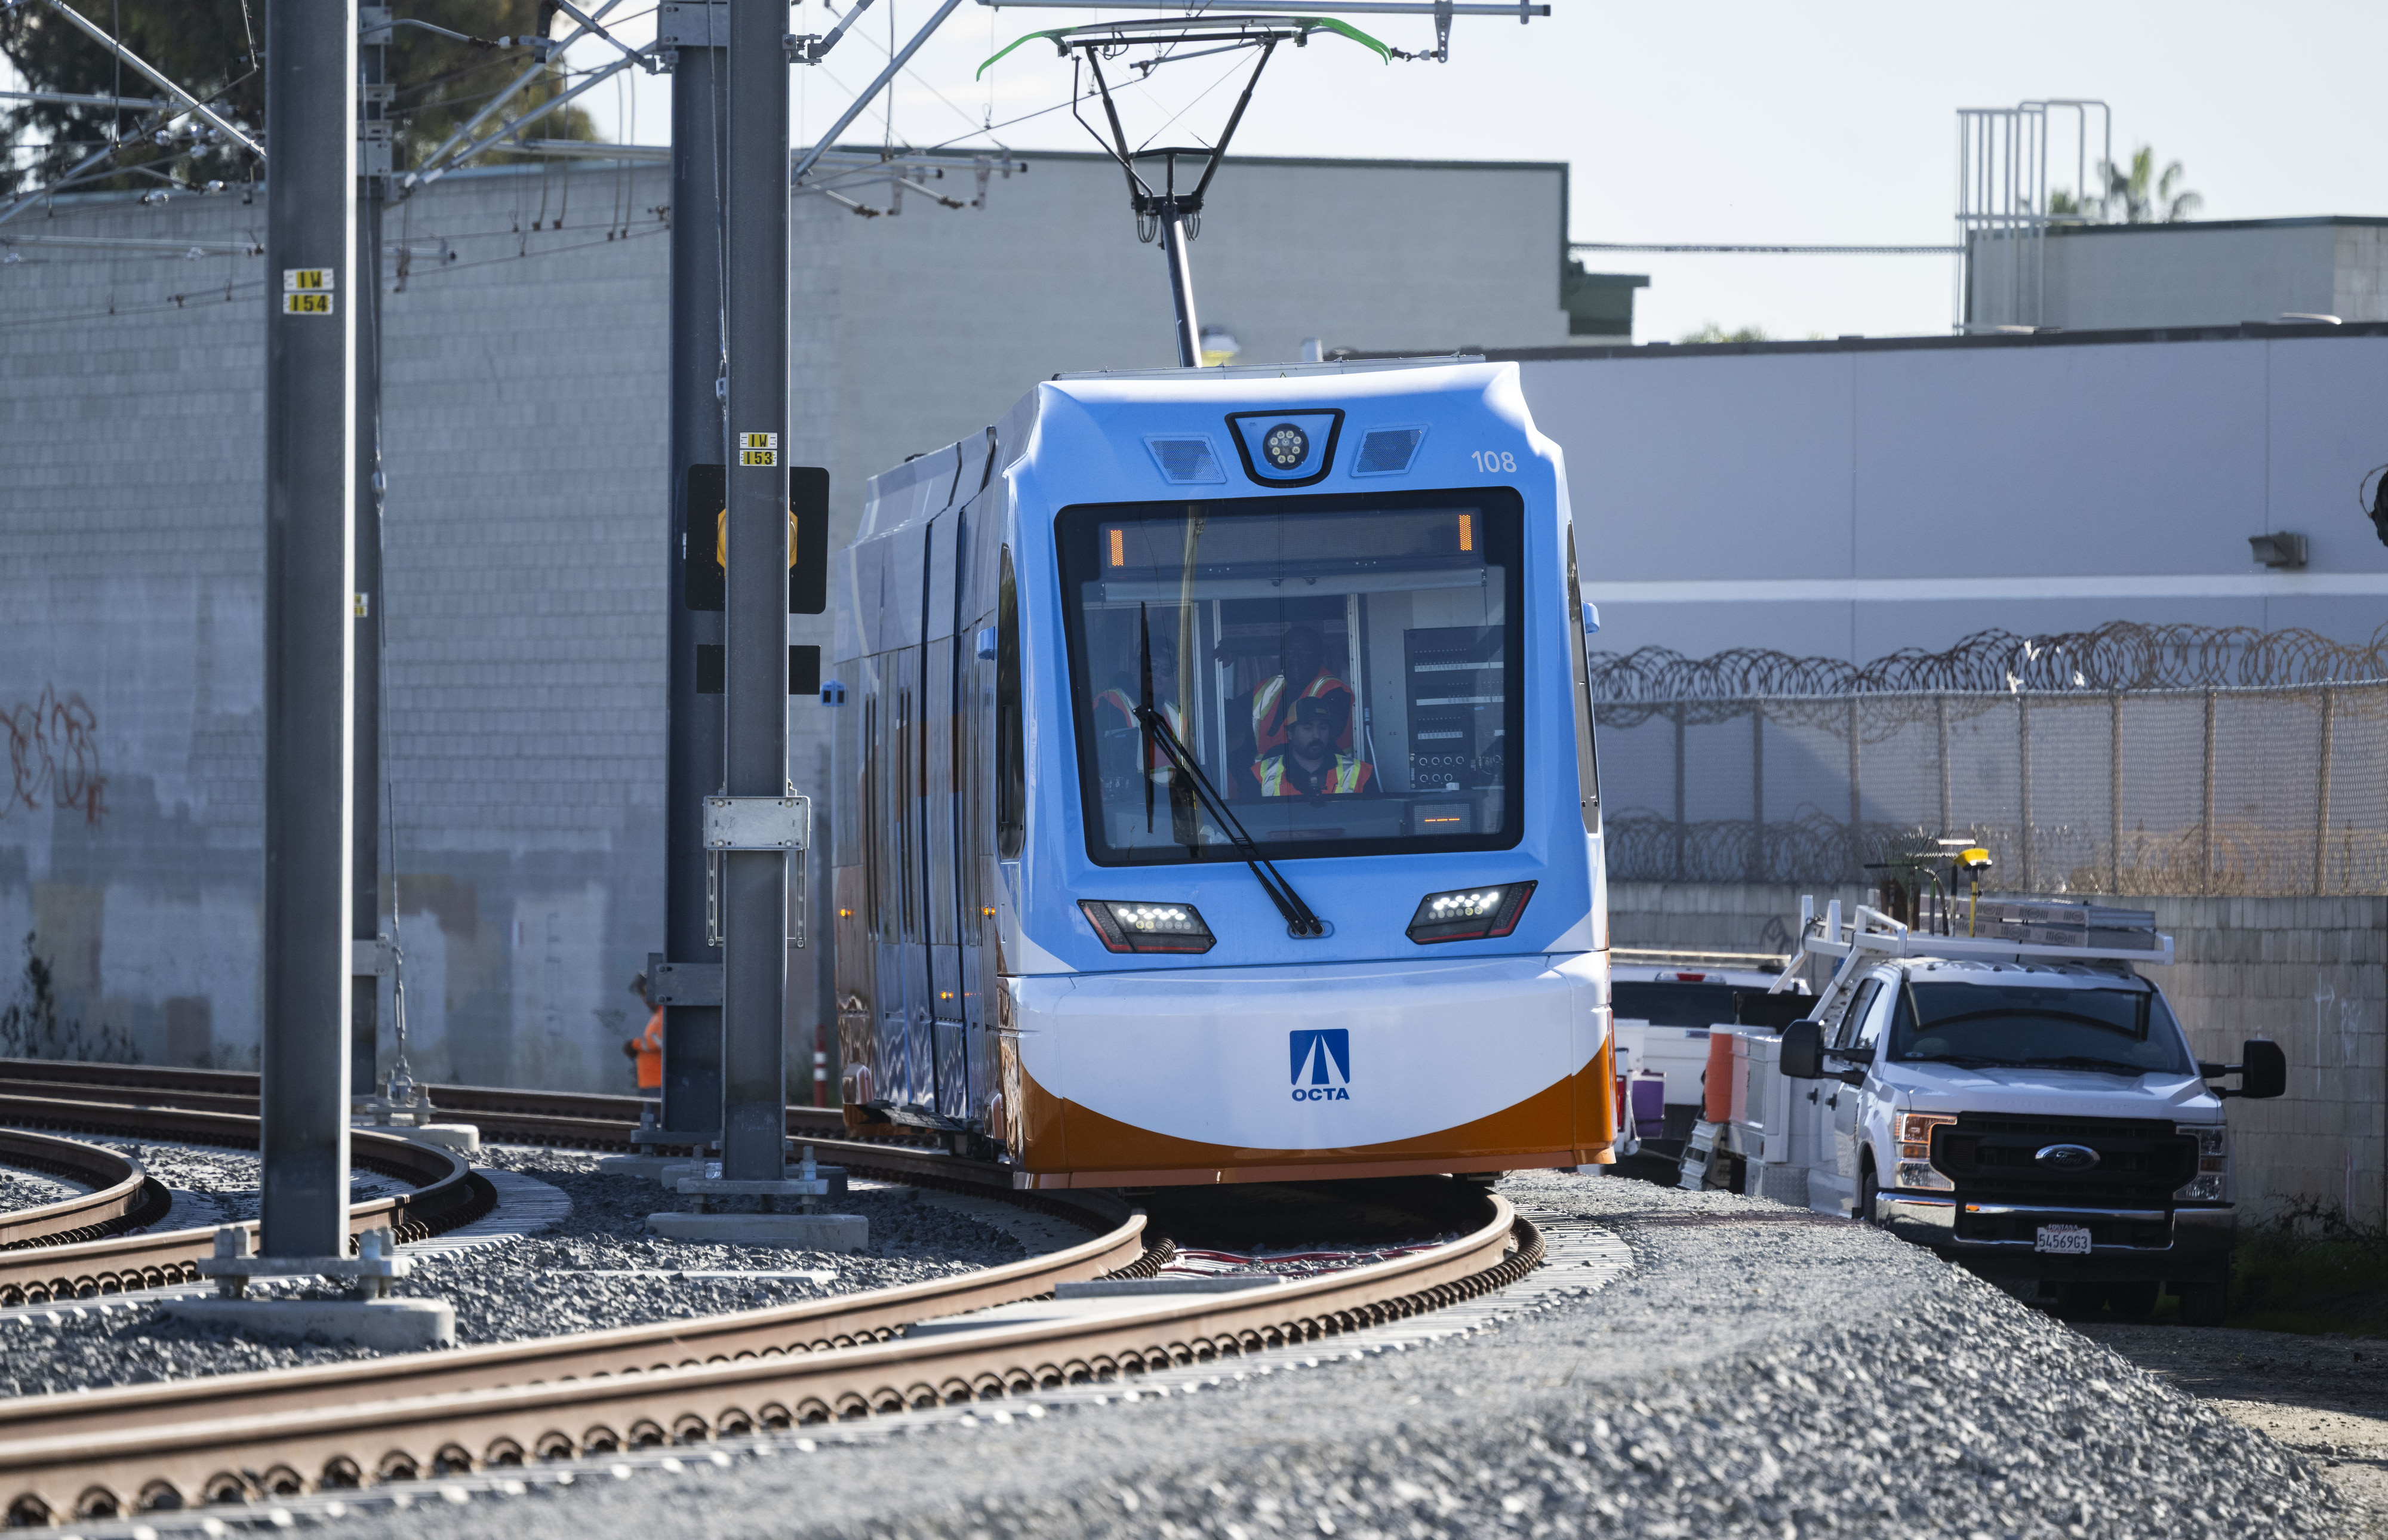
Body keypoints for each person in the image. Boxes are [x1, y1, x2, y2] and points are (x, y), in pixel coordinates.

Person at [1251, 625, 1353, 760]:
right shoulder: (1266, 688)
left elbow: (1321, 744)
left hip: (1325, 778)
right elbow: (1228, 713)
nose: (1295, 658)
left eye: (1304, 653)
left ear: (1319, 657)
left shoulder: (1334, 691)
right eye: (1289, 653)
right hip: (1267, 779)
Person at [1252, 695, 1374, 796]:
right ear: (1290, 734)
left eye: (1323, 728)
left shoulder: (1360, 774)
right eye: (1308, 728)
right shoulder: (1260, 776)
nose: (1317, 735)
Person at [623, 973, 661, 1100]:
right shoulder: (658, 1015)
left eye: (643, 993)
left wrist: (634, 1045)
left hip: (657, 1084)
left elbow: (659, 1041)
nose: (642, 998)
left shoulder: (664, 1014)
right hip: (651, 1083)